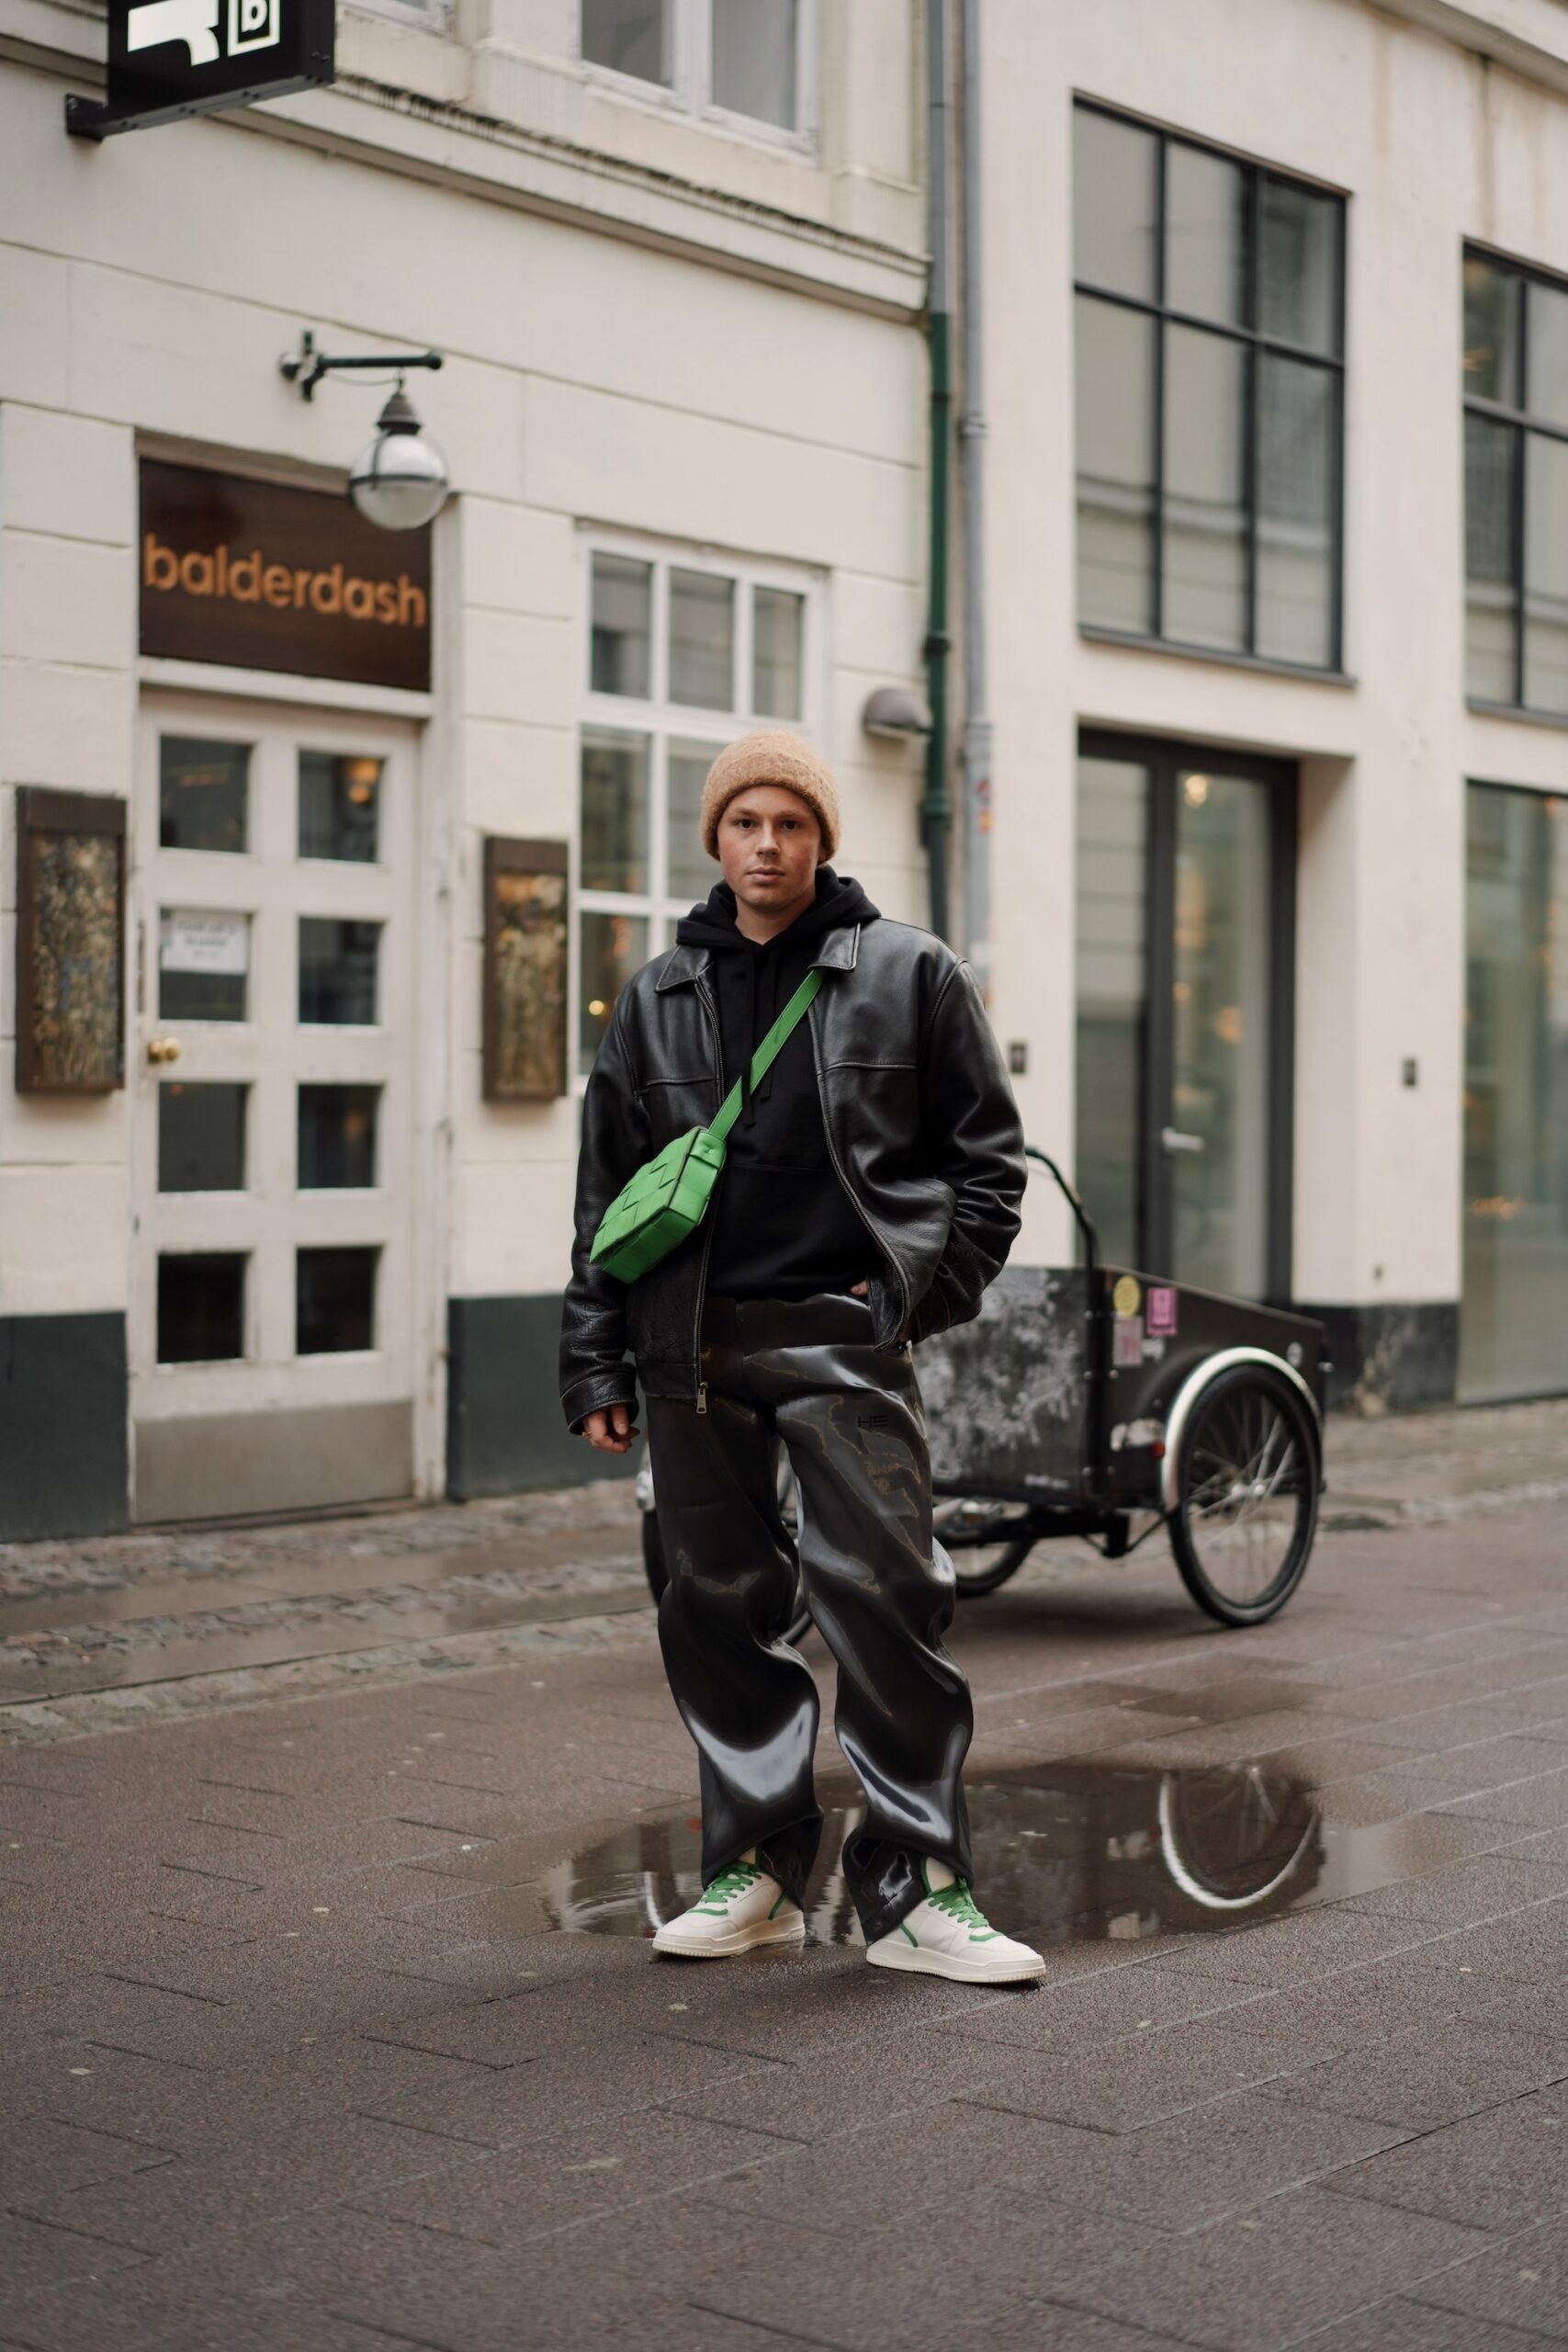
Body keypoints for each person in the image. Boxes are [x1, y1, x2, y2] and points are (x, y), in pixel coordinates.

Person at [560, 729, 1043, 1984]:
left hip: (843, 1333)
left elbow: (986, 1165)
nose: (766, 846)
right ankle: (760, 1874)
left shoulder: (908, 974)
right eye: (744, 824)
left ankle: (921, 1889)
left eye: (790, 824)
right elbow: (606, 1195)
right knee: (712, 1607)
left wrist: (909, 1302)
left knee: (886, 1601)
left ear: (823, 838)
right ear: (714, 840)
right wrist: (597, 1363)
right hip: (690, 1348)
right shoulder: (660, 992)